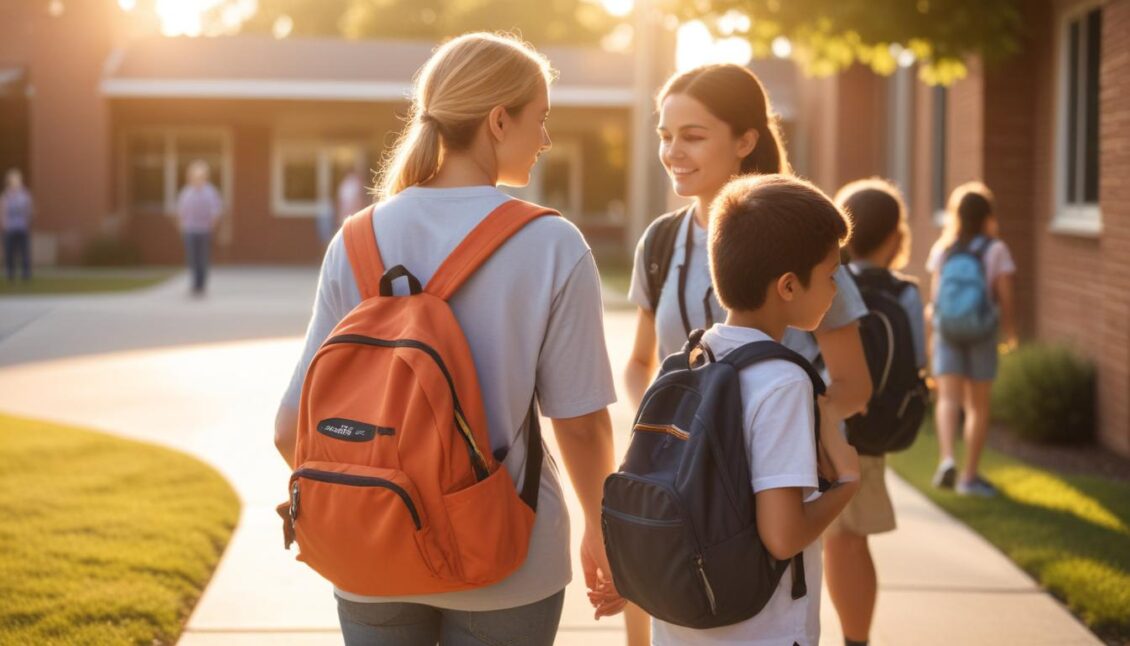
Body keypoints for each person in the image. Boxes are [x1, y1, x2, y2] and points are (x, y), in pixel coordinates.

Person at [273, 32, 621, 645]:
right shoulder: (551, 244)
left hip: (372, 555)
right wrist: (602, 530)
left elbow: (288, 428)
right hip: (506, 557)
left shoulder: (357, 238)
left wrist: (372, 503)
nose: (546, 139)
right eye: (540, 119)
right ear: (498, 120)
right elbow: (581, 425)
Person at [622, 62, 873, 646]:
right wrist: (675, 437)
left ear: (745, 140)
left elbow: (853, 383)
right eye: (665, 135)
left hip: (782, 467)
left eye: (692, 135)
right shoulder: (660, 242)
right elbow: (641, 363)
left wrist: (803, 435)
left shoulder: (799, 236)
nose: (673, 151)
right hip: (687, 477)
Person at [826, 178, 927, 646]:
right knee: (850, 541)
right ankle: (856, 640)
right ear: (894, 237)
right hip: (864, 437)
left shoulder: (828, 282)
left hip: (819, 423)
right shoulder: (904, 294)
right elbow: (917, 363)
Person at [926, 182, 1016, 497]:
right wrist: (1010, 331)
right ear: (987, 215)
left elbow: (935, 299)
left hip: (948, 331)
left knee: (948, 399)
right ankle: (969, 478)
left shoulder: (944, 249)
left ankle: (947, 459)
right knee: (978, 406)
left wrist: (933, 336)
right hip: (982, 332)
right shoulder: (996, 249)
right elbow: (1005, 296)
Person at [175, 160, 223, 296]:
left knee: (203, 259)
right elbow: (180, 211)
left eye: (200, 176)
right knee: (192, 259)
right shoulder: (186, 192)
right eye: (194, 176)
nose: (197, 178)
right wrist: (182, 227)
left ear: (205, 176)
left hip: (204, 230)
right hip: (189, 230)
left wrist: (212, 226)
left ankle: (201, 285)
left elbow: (216, 211)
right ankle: (194, 284)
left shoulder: (210, 192)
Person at [2, 168, 33, 282]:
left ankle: (26, 274)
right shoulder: (6, 195)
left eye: (16, 179)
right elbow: (3, 210)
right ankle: (10, 274)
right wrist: (4, 224)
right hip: (10, 228)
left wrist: (28, 222)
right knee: (9, 253)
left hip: (22, 228)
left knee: (24, 252)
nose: (15, 182)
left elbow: (29, 209)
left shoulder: (25, 195)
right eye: (12, 180)